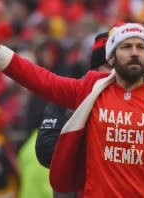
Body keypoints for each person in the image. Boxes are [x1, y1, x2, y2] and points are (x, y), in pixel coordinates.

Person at [0, 22, 144, 198]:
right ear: (112, 58)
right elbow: (43, 81)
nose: (135, 52)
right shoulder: (90, 90)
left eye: (141, 47)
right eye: (126, 47)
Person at [36, 32, 110, 198]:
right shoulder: (69, 96)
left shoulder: (136, 100)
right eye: (109, 67)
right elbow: (45, 149)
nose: (115, 74)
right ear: (95, 69)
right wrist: (98, 158)